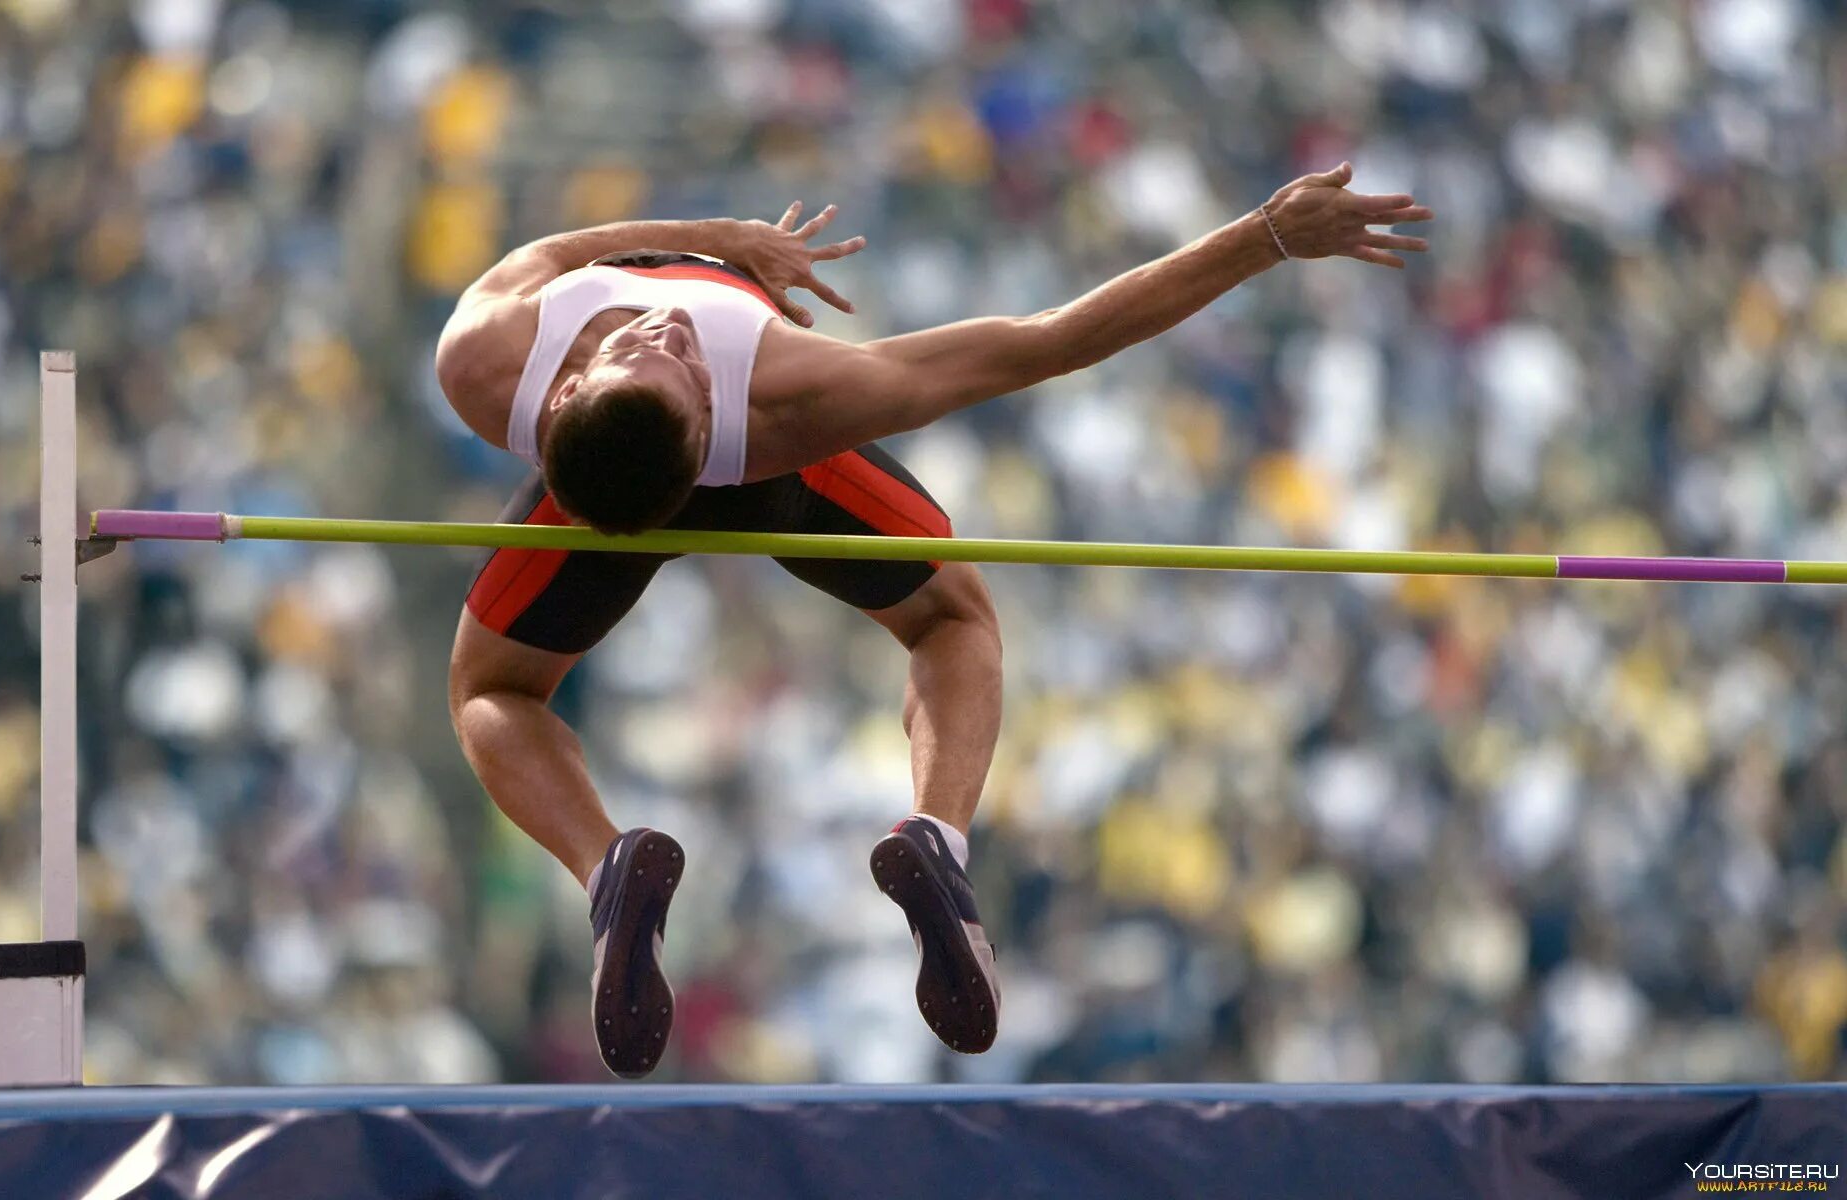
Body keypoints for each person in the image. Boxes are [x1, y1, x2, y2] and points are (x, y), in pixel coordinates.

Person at [437, 165, 1431, 1077]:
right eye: (670, 362)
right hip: (780, 462)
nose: (672, 336)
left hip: (603, 495)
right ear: (700, 426)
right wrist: (1266, 235)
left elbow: (553, 255)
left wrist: (717, 235)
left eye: (666, 350)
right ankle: (937, 839)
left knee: (492, 690)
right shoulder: (791, 393)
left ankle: (606, 865)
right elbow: (1051, 340)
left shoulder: (483, 362)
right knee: (953, 621)